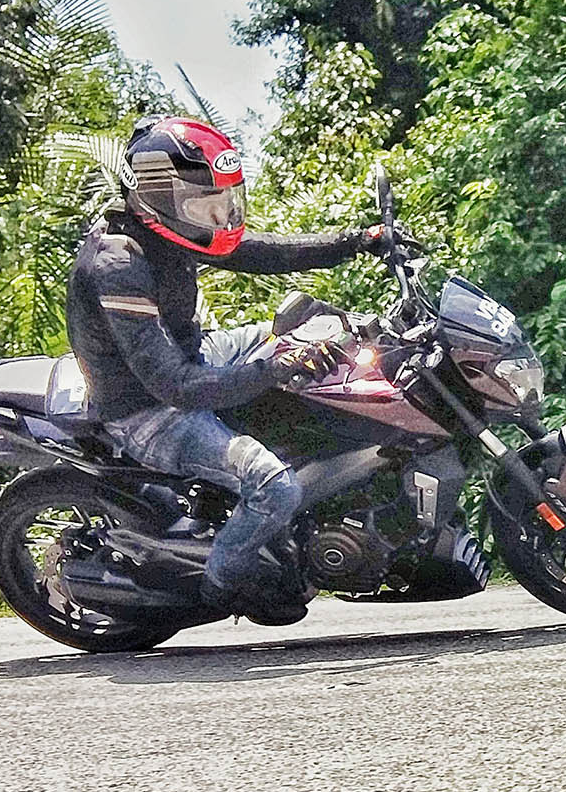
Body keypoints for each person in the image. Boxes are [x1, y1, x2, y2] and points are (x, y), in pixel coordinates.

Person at [64, 115, 389, 619]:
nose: (220, 216)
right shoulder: (119, 265)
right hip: (148, 411)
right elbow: (173, 386)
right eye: (205, 204)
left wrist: (358, 241)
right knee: (276, 487)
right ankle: (223, 583)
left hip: (195, 355)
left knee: (314, 324)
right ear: (158, 198)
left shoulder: (172, 231)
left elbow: (259, 252)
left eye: (224, 200)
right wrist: (274, 370)